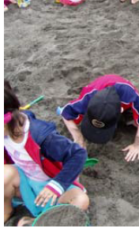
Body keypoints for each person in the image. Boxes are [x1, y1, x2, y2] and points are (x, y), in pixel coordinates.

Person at [4, 80, 89, 226]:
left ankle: (37, 222)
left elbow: (78, 154)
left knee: (81, 200)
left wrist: (56, 185)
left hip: (52, 185)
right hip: (26, 184)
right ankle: (6, 213)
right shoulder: (5, 130)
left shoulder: (40, 135)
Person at [59, 74, 139, 162]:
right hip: (98, 91)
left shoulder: (130, 95)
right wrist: (78, 137)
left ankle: (122, 118)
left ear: (120, 110)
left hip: (124, 101)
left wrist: (137, 144)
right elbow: (65, 113)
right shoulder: (88, 98)